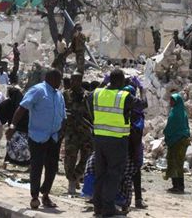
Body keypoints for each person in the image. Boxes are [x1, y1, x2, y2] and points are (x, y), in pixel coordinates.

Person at [5, 69, 65, 210]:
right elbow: (22, 107)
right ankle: (34, 197)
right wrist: (13, 125)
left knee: (52, 167)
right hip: (38, 136)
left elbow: (63, 116)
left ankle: (45, 194)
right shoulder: (38, 90)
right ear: (52, 78)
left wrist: (61, 132)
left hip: (54, 137)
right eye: (59, 79)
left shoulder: (59, 95)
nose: (61, 82)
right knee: (37, 167)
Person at [91, 69, 144, 217]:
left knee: (100, 173)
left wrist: (103, 82)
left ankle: (98, 207)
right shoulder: (124, 97)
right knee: (113, 174)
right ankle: (108, 209)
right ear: (121, 81)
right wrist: (141, 88)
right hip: (117, 140)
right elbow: (142, 105)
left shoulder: (96, 93)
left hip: (99, 139)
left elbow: (89, 108)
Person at [118, 78, 148, 211]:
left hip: (123, 145)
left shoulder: (121, 109)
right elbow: (144, 104)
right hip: (132, 147)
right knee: (134, 173)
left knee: (123, 173)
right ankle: (136, 200)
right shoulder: (136, 112)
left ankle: (124, 198)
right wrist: (142, 90)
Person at [63, 71, 93, 195]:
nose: (74, 83)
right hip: (71, 132)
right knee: (70, 158)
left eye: (77, 80)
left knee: (86, 157)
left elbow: (92, 114)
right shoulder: (65, 95)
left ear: (81, 81)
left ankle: (76, 176)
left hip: (85, 132)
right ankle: (71, 180)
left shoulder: (87, 96)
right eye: (72, 80)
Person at [163, 92, 190, 194]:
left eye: (172, 100)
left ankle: (179, 186)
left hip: (177, 141)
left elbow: (171, 127)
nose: (170, 102)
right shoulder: (181, 112)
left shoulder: (175, 113)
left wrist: (166, 133)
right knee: (175, 162)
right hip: (181, 139)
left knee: (176, 163)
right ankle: (176, 185)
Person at [0, 86, 30, 167]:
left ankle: (5, 164)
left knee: (11, 147)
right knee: (26, 148)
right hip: (24, 130)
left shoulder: (8, 103)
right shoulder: (24, 103)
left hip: (13, 130)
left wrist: (4, 120)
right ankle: (29, 165)